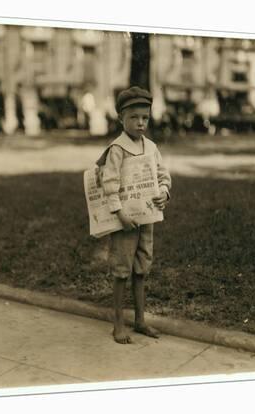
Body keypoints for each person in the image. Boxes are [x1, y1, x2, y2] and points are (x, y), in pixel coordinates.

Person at [96, 86, 172, 345]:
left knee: (142, 267)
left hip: (147, 218)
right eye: (134, 117)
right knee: (121, 270)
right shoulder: (117, 148)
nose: (141, 123)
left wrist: (163, 191)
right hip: (125, 220)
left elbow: (163, 175)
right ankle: (118, 324)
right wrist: (119, 213)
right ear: (121, 119)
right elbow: (110, 182)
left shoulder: (151, 147)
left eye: (145, 118)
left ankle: (140, 320)